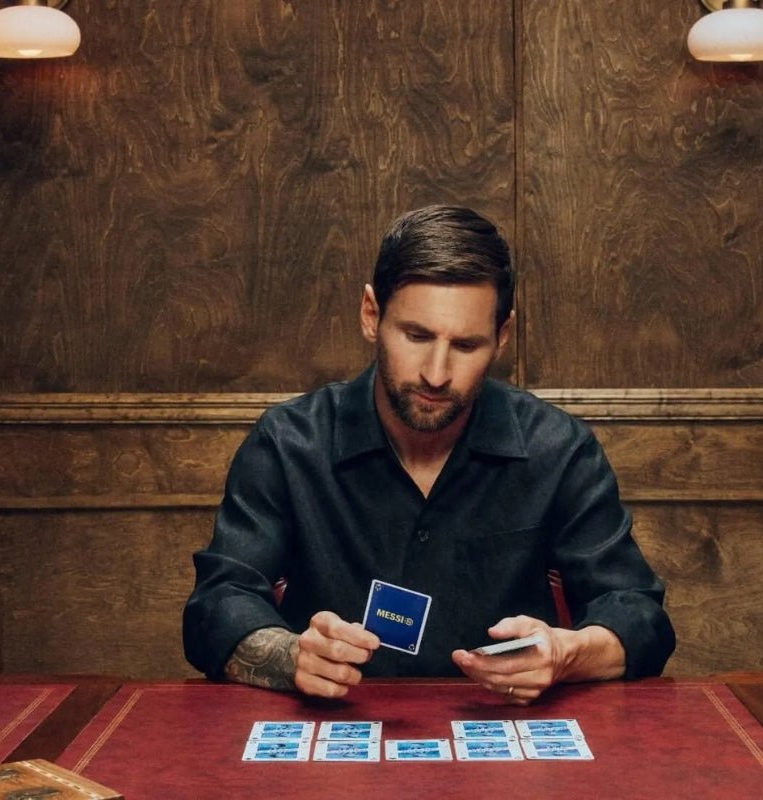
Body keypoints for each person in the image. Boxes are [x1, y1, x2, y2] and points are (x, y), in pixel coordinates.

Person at [183, 205, 675, 704]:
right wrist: (294, 656)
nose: (436, 374)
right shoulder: (289, 443)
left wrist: (567, 652)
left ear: (502, 337)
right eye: (416, 336)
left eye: (465, 345)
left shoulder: (559, 449)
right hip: (335, 747)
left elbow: (640, 616)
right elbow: (216, 607)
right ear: (372, 315)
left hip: (502, 748)